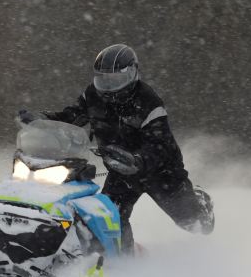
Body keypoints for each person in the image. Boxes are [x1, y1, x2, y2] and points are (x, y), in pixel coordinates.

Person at [18, 44, 214, 255]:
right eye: (104, 80)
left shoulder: (149, 102)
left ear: (132, 73)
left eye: (115, 80)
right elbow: (72, 116)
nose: (109, 88)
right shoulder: (93, 94)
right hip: (120, 170)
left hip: (161, 173)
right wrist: (44, 119)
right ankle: (121, 261)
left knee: (193, 223)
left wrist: (137, 160)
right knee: (109, 216)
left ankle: (201, 203)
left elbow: (161, 146)